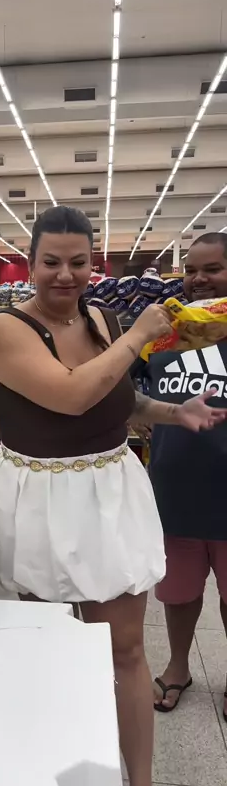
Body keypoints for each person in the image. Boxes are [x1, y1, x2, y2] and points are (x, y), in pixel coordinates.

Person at [0, 206, 226, 786]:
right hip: (40, 496)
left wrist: (171, 412)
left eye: (78, 262)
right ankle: (56, 775)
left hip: (107, 492)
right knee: (50, 646)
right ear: (30, 264)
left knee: (126, 649)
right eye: (51, 262)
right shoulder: (7, 329)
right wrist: (137, 336)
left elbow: (115, 395)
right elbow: (70, 395)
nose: (65, 274)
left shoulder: (102, 318)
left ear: (94, 264)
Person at [146, 232, 227, 717]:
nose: (198, 279)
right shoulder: (165, 334)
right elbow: (136, 392)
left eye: (212, 269)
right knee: (178, 593)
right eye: (191, 270)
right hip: (175, 493)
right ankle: (178, 666)